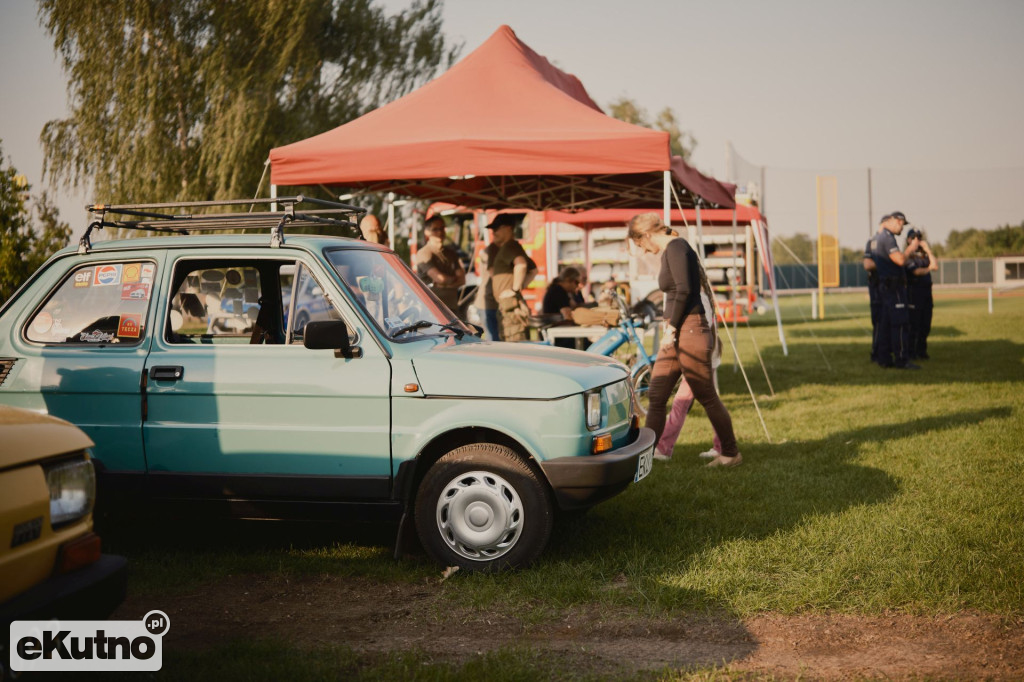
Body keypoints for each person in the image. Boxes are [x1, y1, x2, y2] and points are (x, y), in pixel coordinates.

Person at [627, 212, 741, 468]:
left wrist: (672, 329)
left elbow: (685, 290)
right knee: (657, 395)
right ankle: (650, 454)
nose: (644, 251)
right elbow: (677, 291)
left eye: (641, 245)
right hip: (679, 332)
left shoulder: (677, 248)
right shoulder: (672, 250)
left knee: (706, 395)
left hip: (689, 331)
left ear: (646, 235)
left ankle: (731, 453)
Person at [654, 287, 723, 460]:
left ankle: (664, 448)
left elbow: (702, 325)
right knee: (710, 402)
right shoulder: (701, 295)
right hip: (705, 354)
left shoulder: (698, 296)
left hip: (699, 356)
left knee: (681, 402)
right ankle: (721, 445)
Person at [871, 211, 920, 369]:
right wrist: (911, 249)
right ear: (894, 221)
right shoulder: (887, 237)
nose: (901, 228)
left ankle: (884, 358)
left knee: (886, 323)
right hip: (894, 287)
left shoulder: (878, 238)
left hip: (886, 286)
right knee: (900, 323)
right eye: (901, 224)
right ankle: (901, 359)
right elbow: (899, 260)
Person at [483, 214, 536, 342]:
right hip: (508, 306)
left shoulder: (510, 246)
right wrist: (517, 289)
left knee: (513, 345)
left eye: (497, 228)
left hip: (510, 307)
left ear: (509, 228)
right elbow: (533, 270)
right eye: (492, 229)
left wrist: (514, 290)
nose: (493, 232)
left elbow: (522, 264)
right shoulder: (511, 246)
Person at [415, 215, 466, 314]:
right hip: (432, 310)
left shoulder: (451, 253)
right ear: (427, 232)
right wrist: (452, 279)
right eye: (435, 229)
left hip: (452, 308)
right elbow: (440, 278)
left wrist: (444, 285)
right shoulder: (424, 253)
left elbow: (462, 280)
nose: (440, 232)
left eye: (442, 228)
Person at [905, 227, 938, 360]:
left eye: (919, 237)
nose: (917, 240)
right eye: (914, 237)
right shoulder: (907, 256)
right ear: (908, 240)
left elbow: (935, 266)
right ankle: (911, 351)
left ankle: (921, 350)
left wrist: (928, 250)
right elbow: (916, 272)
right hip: (914, 293)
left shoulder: (924, 256)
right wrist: (928, 268)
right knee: (914, 324)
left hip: (926, 294)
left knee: (925, 324)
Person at [542, 266, 582, 349]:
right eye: (576, 282)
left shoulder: (557, 289)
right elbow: (568, 316)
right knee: (585, 343)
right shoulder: (558, 291)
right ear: (568, 280)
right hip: (558, 335)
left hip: (556, 332)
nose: (577, 286)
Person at [863, 228, 882, 364]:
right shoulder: (873, 242)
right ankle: (876, 353)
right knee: (879, 322)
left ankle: (884, 352)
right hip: (877, 288)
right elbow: (867, 264)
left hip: (887, 289)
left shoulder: (889, 241)